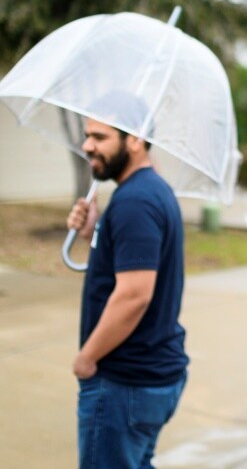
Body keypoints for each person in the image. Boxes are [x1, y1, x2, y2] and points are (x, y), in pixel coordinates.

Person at [66, 93, 188, 468]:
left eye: (100, 137)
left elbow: (134, 295)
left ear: (134, 139)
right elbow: (131, 267)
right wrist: (94, 232)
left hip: (125, 381)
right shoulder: (147, 191)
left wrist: (87, 358)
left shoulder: (136, 201)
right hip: (147, 375)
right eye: (87, 136)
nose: (88, 146)